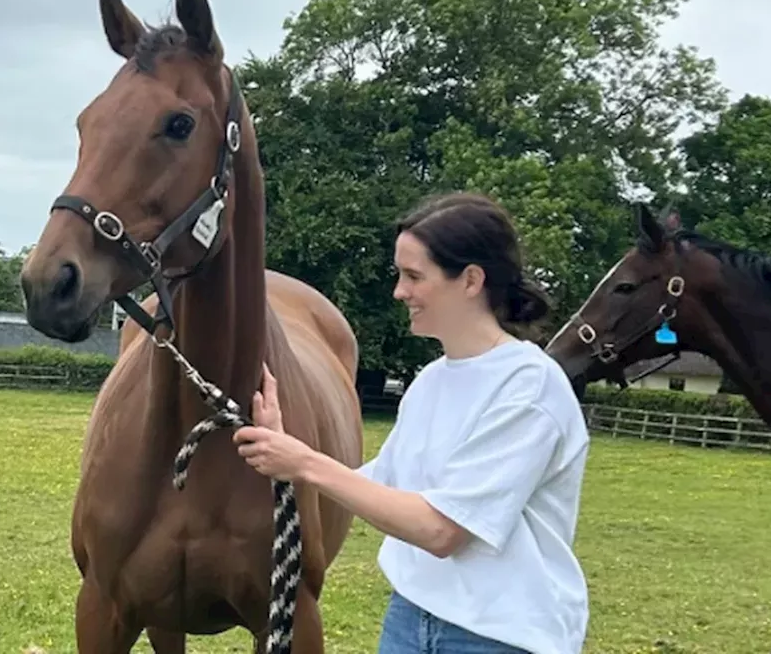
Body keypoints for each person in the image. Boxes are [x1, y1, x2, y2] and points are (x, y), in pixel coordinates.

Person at [234, 191, 590, 654]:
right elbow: (384, 487)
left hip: (498, 636)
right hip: (411, 616)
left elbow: (441, 531)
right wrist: (284, 447)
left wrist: (302, 463)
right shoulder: (431, 381)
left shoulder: (530, 387)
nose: (399, 291)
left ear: (470, 280)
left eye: (413, 276)